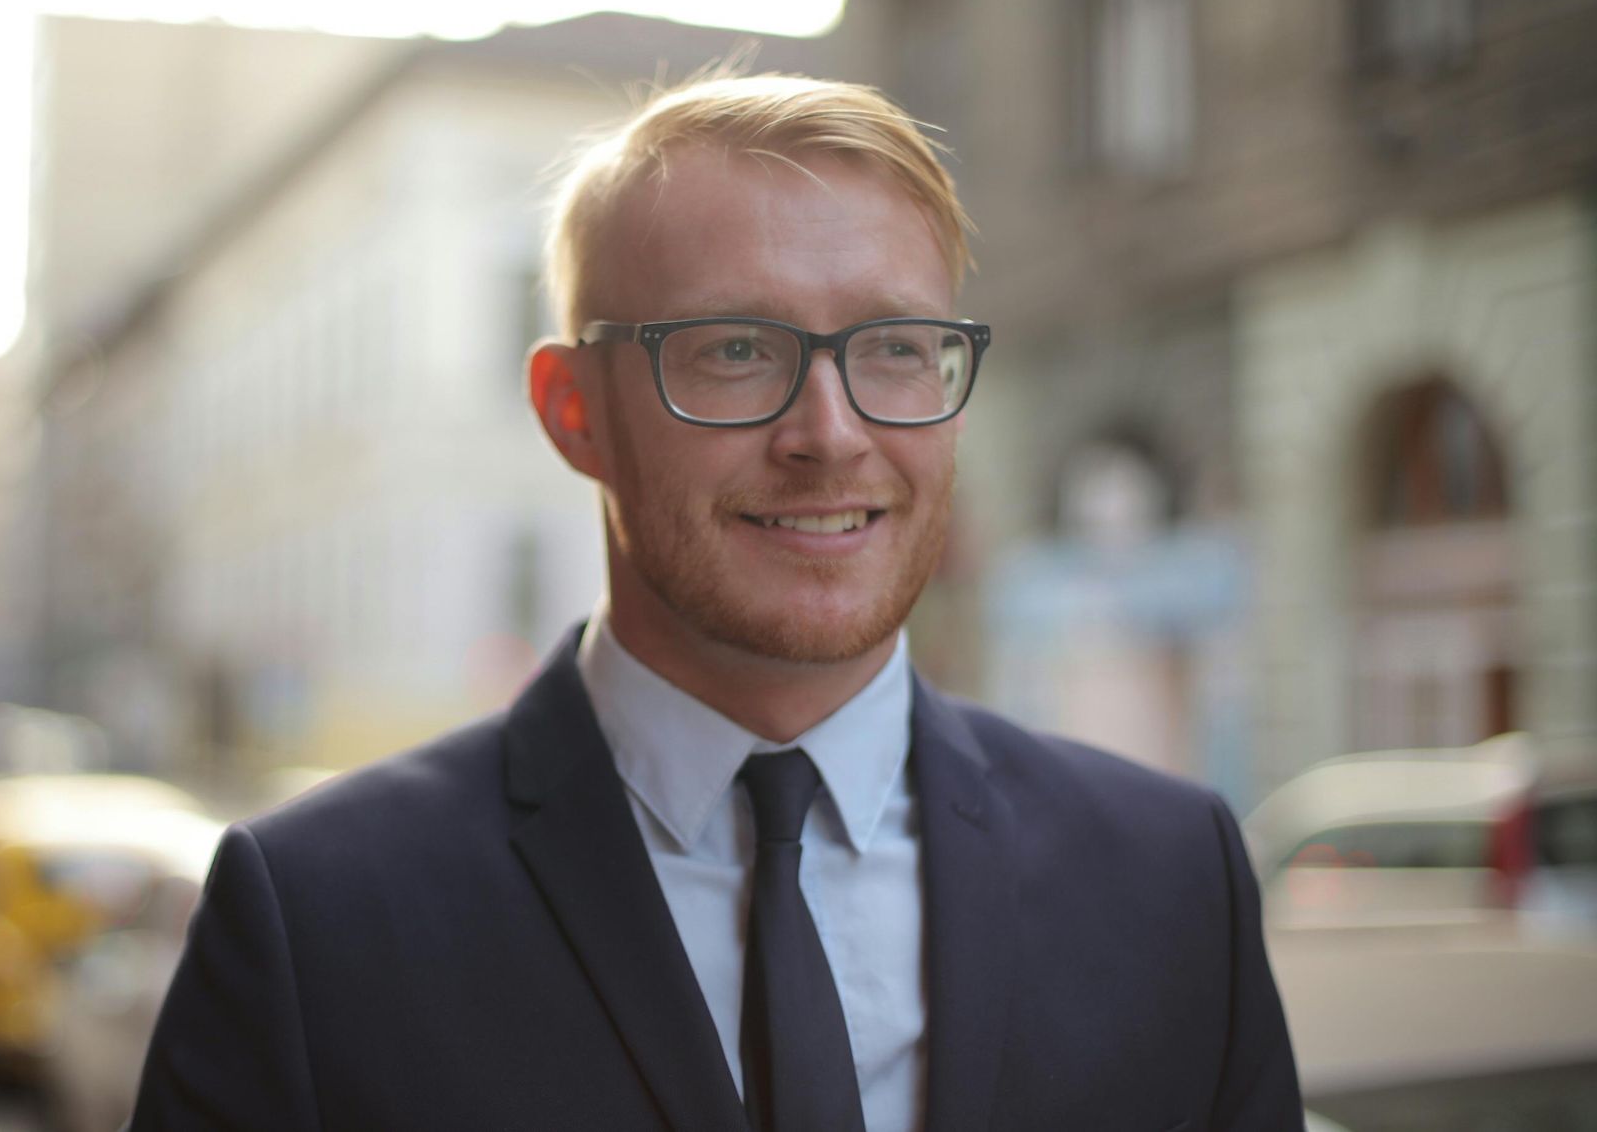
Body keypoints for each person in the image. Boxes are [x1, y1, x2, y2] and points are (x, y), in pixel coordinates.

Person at [130, 73, 1302, 1131]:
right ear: (573, 409)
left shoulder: (1171, 879)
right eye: (737, 350)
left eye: (895, 346)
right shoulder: (318, 923)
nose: (831, 436)